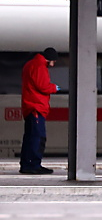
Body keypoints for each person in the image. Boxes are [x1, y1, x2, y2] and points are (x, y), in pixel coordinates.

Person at [20, 47, 60, 175]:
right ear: (50, 60)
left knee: (29, 137)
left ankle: (26, 164)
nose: (53, 65)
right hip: (36, 107)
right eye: (54, 62)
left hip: (30, 106)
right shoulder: (39, 66)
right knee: (37, 138)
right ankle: (34, 165)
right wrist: (54, 87)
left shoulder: (30, 64)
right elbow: (42, 86)